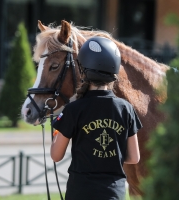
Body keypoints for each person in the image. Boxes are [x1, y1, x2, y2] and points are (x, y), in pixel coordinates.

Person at [51, 36, 142, 200]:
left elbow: (56, 156)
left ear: (84, 70)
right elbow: (134, 157)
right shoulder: (126, 109)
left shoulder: (73, 110)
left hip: (81, 193)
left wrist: (57, 131)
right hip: (114, 193)